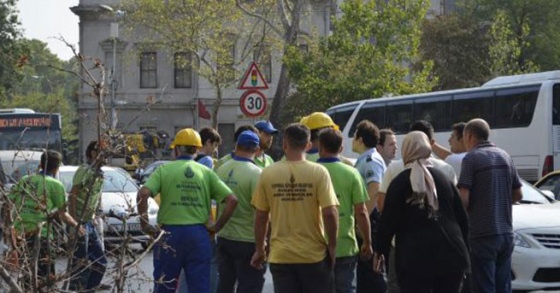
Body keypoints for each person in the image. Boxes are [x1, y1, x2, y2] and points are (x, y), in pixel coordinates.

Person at [137, 128, 238, 293]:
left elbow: (143, 193)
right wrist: (217, 226)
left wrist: (145, 224)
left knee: (164, 286)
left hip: (169, 235)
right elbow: (232, 200)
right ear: (197, 149)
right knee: (199, 288)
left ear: (177, 149)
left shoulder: (164, 170)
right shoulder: (206, 172)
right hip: (198, 235)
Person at [374, 131, 470, 293]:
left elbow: (388, 222)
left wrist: (380, 251)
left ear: (407, 150)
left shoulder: (400, 183)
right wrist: (466, 251)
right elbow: (462, 219)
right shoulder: (443, 179)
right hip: (451, 256)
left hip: (414, 259)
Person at [250, 123, 339, 293]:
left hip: (281, 256)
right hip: (313, 256)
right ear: (308, 145)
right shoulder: (319, 172)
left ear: (284, 144)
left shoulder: (268, 173)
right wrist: (333, 246)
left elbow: (261, 216)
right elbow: (330, 212)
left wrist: (260, 249)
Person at [2, 150, 83, 290]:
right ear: (57, 167)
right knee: (46, 279)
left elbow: (9, 204)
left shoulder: (25, 179)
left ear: (40, 164)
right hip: (42, 236)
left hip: (21, 236)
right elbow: (63, 214)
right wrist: (77, 226)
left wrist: (9, 230)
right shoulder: (55, 185)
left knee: (27, 275)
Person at [457, 118, 523, 293]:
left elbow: (464, 199)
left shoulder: (471, 158)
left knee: (484, 287)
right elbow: (518, 194)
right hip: (506, 233)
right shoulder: (505, 156)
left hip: (482, 233)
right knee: (503, 287)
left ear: (469, 136)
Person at [317, 128, 372, 293]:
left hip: (316, 247)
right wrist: (368, 243)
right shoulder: (352, 173)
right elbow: (361, 212)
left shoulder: (311, 172)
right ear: (341, 149)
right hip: (345, 246)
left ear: (320, 147)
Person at [215, 131, 266, 293]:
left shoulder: (221, 169)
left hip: (224, 237)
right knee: (250, 285)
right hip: (248, 240)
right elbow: (261, 212)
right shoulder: (257, 174)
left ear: (236, 146)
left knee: (225, 283)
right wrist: (262, 245)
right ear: (257, 149)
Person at [68, 141, 109, 292]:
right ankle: (79, 289)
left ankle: (90, 288)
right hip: (79, 223)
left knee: (100, 261)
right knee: (80, 264)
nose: (107, 158)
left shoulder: (99, 174)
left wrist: (97, 214)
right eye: (104, 153)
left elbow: (96, 197)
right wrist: (74, 224)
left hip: (89, 223)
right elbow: (73, 195)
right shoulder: (85, 171)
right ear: (93, 153)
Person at [351, 119, 387, 293]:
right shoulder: (364, 159)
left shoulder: (371, 160)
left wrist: (361, 220)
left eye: (354, 136)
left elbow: (374, 189)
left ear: (360, 139)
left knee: (371, 271)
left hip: (369, 218)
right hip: (366, 217)